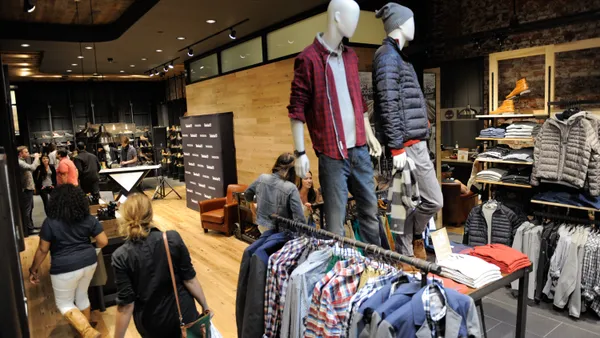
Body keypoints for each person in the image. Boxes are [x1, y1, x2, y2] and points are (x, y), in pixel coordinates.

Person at [112, 193, 211, 338]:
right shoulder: (171, 239)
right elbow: (190, 279)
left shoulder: (121, 256)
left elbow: (126, 306)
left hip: (152, 324)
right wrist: (205, 306)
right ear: (150, 214)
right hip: (183, 315)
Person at [28, 184, 108, 338]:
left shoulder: (50, 222)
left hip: (64, 268)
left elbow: (43, 250)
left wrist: (33, 269)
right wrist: (95, 251)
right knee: (82, 295)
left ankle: (87, 332)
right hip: (89, 263)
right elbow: (103, 241)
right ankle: (86, 327)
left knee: (64, 303)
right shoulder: (88, 218)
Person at [245, 153, 306, 231]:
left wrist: (258, 199)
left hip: (261, 226)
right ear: (293, 171)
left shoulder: (262, 178)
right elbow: (299, 218)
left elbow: (247, 195)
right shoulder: (291, 188)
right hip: (281, 230)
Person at [18, 146, 41, 236]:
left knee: (30, 208)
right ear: (20, 153)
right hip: (25, 189)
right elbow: (32, 168)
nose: (28, 153)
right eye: (26, 152)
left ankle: (30, 226)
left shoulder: (22, 161)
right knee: (27, 210)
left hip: (29, 188)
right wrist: (36, 158)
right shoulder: (19, 162)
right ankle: (28, 229)